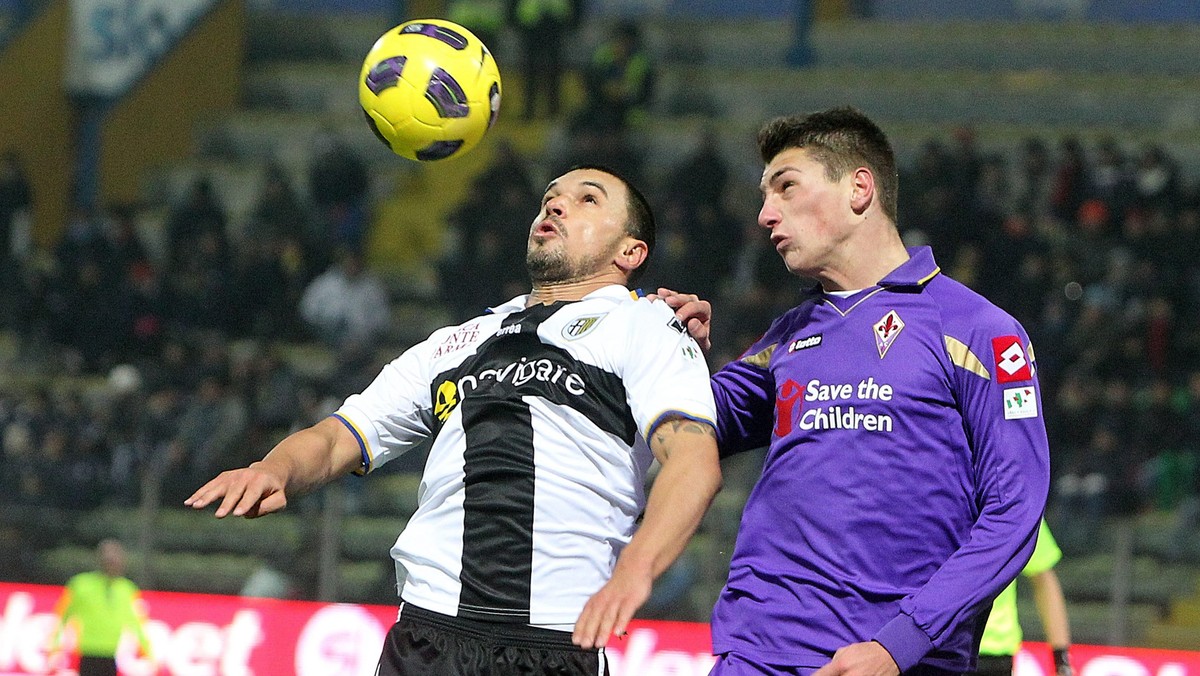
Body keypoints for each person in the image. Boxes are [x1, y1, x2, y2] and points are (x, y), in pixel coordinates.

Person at [186, 165, 722, 675]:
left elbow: (694, 463)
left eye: (587, 199)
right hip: (427, 639)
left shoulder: (648, 325)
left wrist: (637, 569)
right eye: (550, 196)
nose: (556, 202)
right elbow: (338, 435)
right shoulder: (457, 341)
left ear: (631, 250)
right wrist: (274, 469)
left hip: (557, 642)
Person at [659, 106, 1051, 675]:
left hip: (893, 661)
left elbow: (1016, 510)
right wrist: (673, 355)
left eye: (786, 187)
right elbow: (690, 430)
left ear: (859, 188)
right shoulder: (789, 335)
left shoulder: (978, 330)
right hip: (757, 655)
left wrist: (901, 644)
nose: (766, 214)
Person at [976, 520, 1073, 676]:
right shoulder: (1016, 500)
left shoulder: (1017, 501)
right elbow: (1044, 580)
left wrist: (1062, 661)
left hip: (992, 652)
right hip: (943, 645)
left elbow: (1043, 578)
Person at [50, 539, 152, 676]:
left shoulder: (127, 589)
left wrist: (147, 650)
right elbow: (63, 616)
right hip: (87, 651)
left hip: (112, 652)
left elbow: (137, 622)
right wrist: (55, 646)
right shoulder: (81, 585)